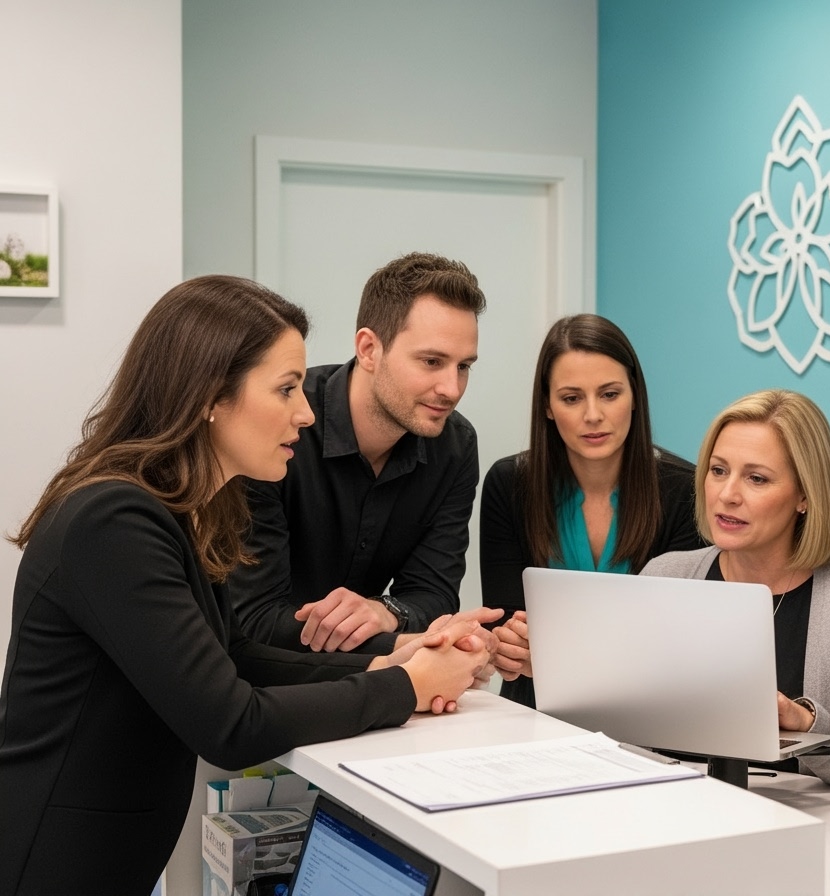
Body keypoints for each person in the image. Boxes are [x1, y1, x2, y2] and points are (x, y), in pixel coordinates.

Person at [0, 276, 494, 895]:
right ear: (211, 395)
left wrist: (388, 659)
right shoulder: (115, 521)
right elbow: (231, 725)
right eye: (286, 389)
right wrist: (404, 685)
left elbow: (232, 657)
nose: (306, 411)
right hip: (51, 865)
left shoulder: (175, 512)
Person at [641, 390, 830, 787]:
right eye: (718, 470)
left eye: (756, 478)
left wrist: (808, 724)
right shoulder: (662, 578)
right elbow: (614, 738)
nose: (728, 495)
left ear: (804, 495)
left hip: (803, 833)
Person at [228, 252, 486, 656]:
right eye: (432, 361)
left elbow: (433, 594)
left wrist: (385, 612)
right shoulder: (280, 426)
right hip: (254, 687)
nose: (451, 389)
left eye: (464, 366)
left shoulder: (455, 446)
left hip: (371, 692)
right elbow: (254, 619)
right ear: (369, 349)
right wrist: (408, 645)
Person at [481, 314, 702, 707]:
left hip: (651, 716)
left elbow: (677, 641)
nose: (593, 415)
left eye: (610, 394)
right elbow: (505, 620)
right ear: (547, 406)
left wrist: (554, 649)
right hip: (535, 712)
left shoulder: (685, 489)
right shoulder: (509, 484)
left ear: (634, 395)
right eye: (571, 398)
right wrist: (509, 645)